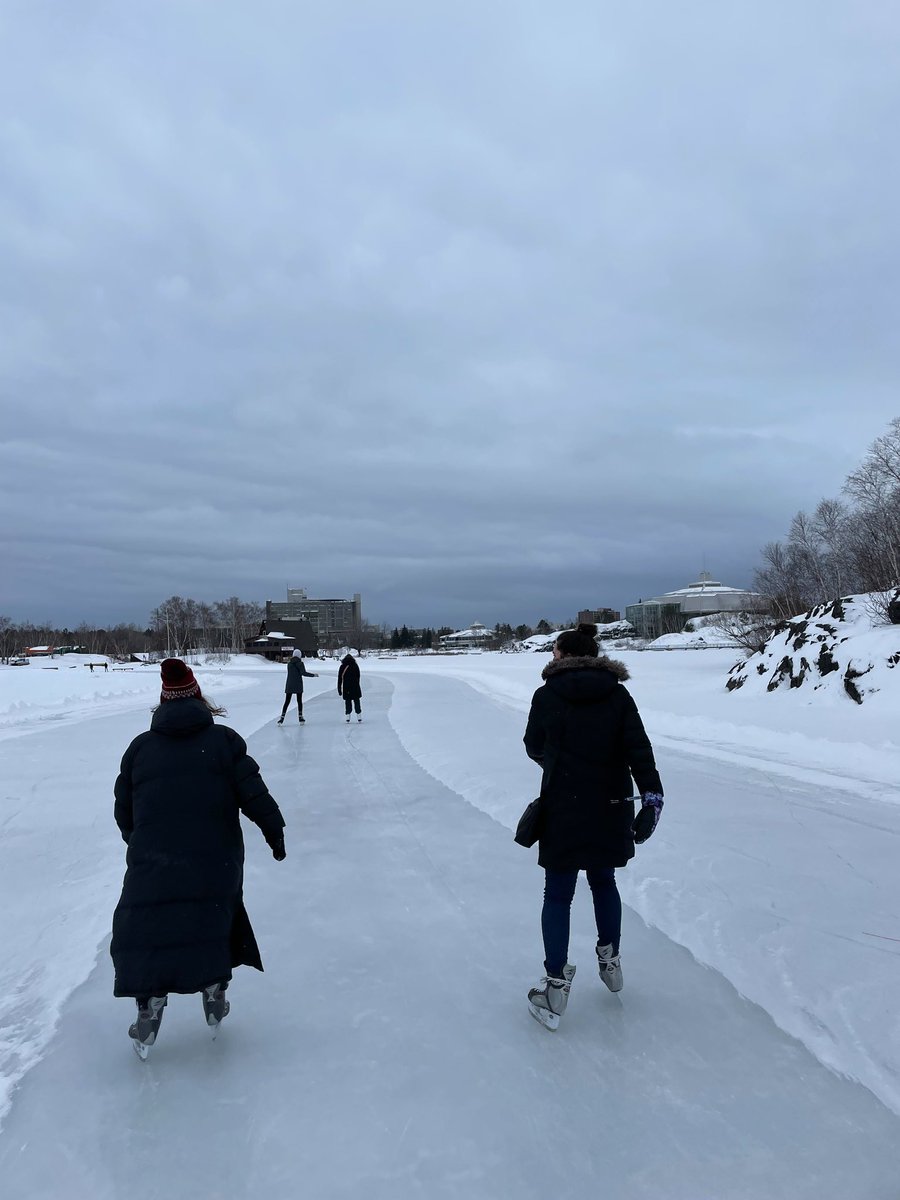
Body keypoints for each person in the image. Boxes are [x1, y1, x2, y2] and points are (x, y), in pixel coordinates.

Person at [110, 658, 286, 1057]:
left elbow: (125, 812)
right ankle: (214, 990)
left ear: (163, 702)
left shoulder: (140, 749)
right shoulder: (223, 742)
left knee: (150, 927)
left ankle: (149, 1005)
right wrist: (274, 832)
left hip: (153, 863)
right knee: (213, 920)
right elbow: (254, 795)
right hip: (215, 860)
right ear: (198, 697)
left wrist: (141, 846)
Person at [522, 622, 664, 1030]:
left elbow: (533, 745)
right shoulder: (618, 693)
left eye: (553, 652)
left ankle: (555, 986)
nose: (551, 658)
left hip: (563, 806)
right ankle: (611, 960)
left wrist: (558, 763)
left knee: (558, 892)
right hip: (610, 805)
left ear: (564, 655)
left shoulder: (547, 695)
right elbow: (639, 749)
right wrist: (651, 799)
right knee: (604, 882)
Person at [278, 648, 318, 724]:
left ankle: (282, 718)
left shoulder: (289, 664)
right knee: (299, 701)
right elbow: (303, 673)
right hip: (298, 684)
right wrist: (313, 675)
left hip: (289, 684)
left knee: (287, 701)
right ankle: (300, 717)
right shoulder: (300, 663)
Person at [337, 652, 363, 722]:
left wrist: (339, 689)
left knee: (348, 702)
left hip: (346, 687)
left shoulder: (342, 666)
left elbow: (340, 678)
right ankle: (359, 716)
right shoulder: (355, 665)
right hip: (355, 686)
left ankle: (347, 717)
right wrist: (357, 684)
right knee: (357, 701)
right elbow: (358, 676)